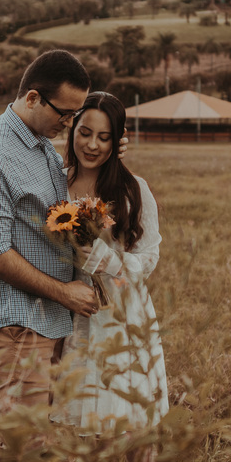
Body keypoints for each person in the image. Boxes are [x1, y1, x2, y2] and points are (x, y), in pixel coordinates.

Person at [0, 50, 100, 414]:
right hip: (20, 325)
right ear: (34, 98)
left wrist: (111, 150)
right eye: (64, 113)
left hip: (49, 320)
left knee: (45, 436)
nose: (69, 123)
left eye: (74, 115)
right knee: (27, 440)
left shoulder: (39, 142)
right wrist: (65, 293)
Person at [56, 91, 168, 430]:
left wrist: (110, 261)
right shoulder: (56, 182)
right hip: (67, 305)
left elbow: (149, 256)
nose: (92, 145)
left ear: (118, 141)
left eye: (104, 137)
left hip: (119, 310)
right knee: (71, 408)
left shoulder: (133, 189)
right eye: (85, 133)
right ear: (72, 129)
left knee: (121, 410)